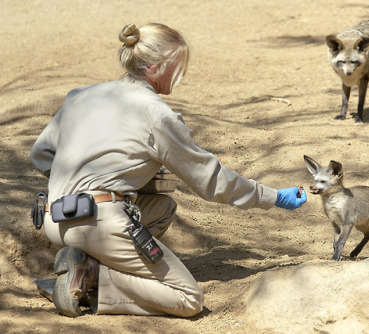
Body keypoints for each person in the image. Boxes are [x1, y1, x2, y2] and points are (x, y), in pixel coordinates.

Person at [30, 23, 307, 318]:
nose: (181, 74)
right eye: (177, 67)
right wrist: (273, 196)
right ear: (153, 68)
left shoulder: (81, 95)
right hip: (99, 224)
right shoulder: (156, 114)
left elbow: (42, 154)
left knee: (161, 207)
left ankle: (83, 262)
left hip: (54, 218)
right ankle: (91, 276)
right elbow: (210, 179)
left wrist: (84, 184)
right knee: (188, 299)